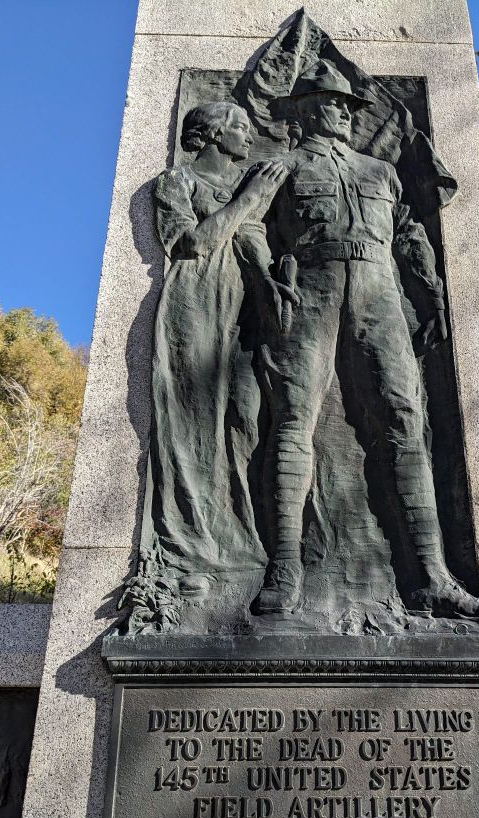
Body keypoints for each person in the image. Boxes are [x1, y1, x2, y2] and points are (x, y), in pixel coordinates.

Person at [254, 62, 479, 620]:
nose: (344, 111)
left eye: (348, 105)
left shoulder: (380, 172)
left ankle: (430, 576)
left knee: (404, 421)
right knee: (294, 418)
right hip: (311, 289)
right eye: (334, 102)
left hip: (378, 296)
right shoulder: (282, 165)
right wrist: (266, 278)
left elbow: (410, 235)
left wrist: (433, 292)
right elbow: (248, 227)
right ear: (307, 107)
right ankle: (285, 565)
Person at [145, 101, 294, 601]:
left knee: (247, 422)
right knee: (195, 424)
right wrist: (249, 197)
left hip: (244, 310)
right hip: (197, 306)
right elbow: (192, 244)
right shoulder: (177, 182)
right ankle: (197, 546)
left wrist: (275, 282)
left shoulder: (246, 187)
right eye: (239, 128)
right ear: (210, 135)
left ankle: (244, 539)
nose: (249, 138)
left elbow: (254, 245)